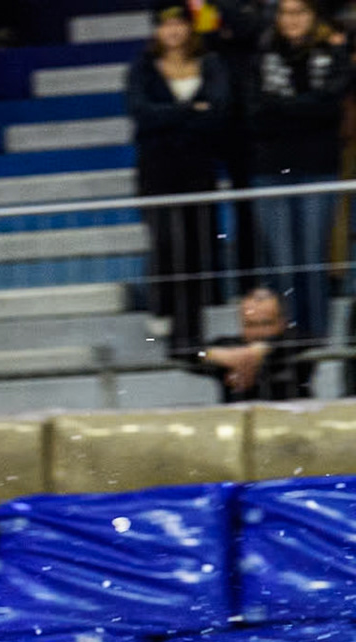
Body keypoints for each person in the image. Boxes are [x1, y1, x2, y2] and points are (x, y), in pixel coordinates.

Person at [125, 5, 230, 359]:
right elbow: (142, 114)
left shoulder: (210, 64)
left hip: (198, 170)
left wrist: (171, 116)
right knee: (168, 241)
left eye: (178, 24)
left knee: (196, 249)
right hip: (156, 171)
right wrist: (188, 111)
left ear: (189, 29)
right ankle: (161, 311)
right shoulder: (141, 68)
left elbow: (217, 113)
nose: (171, 31)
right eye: (164, 24)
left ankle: (190, 334)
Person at [246, 0, 348, 344]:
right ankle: (282, 341)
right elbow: (256, 112)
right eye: (286, 13)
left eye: (300, 12)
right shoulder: (260, 55)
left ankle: (316, 341)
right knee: (282, 263)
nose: (292, 20)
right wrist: (308, 107)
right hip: (270, 168)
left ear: (313, 17)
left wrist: (284, 108)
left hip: (318, 167)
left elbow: (331, 106)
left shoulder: (332, 54)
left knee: (312, 261)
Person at [197, 286, 315, 401]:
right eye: (250, 325)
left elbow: (311, 341)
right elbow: (189, 351)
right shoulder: (231, 346)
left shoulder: (294, 342)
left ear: (282, 321)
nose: (258, 332)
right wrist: (212, 354)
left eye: (266, 323)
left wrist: (262, 350)